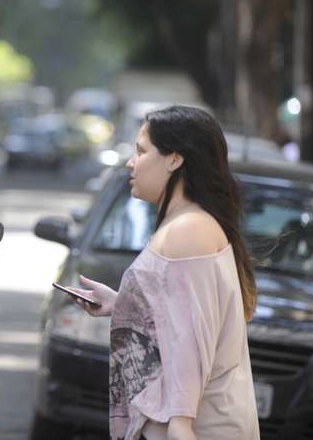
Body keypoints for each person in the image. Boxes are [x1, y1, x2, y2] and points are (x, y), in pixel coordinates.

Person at [67, 105, 259, 440]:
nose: (131, 162)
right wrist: (124, 304)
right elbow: (178, 318)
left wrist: (180, 423)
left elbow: (190, 343)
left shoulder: (188, 231)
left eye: (141, 151)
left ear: (174, 159)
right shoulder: (187, 225)